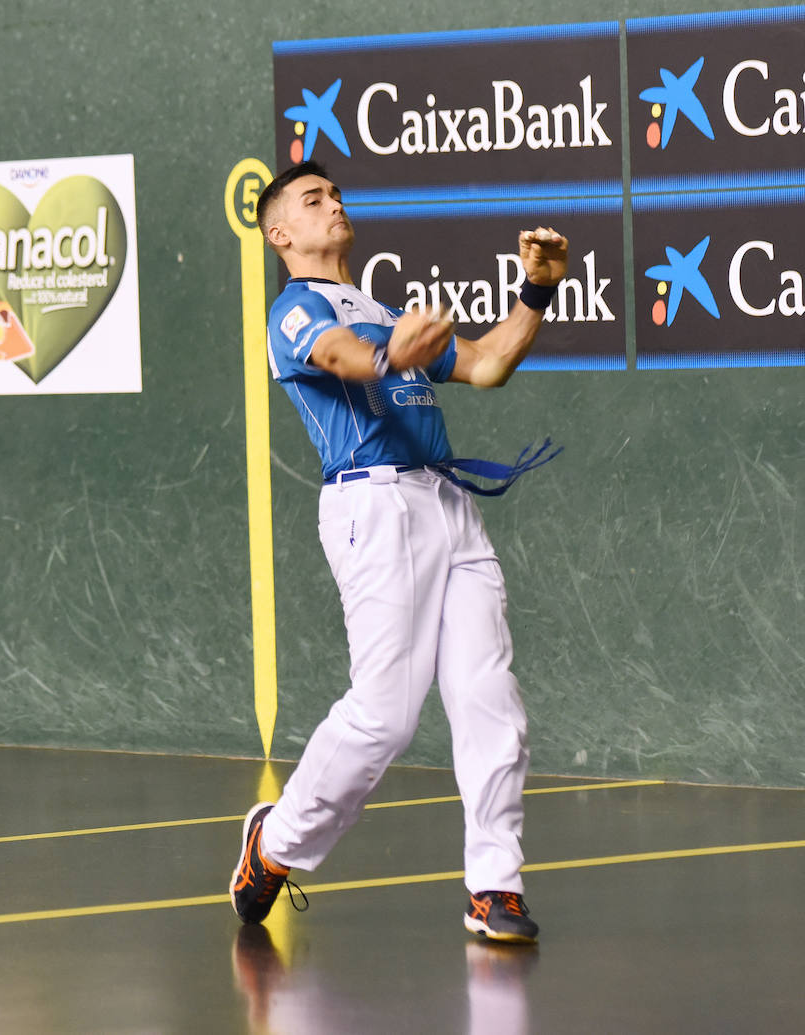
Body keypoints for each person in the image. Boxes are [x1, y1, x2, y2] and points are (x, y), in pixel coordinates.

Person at [229, 159, 569, 944]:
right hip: (372, 505)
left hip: (447, 503)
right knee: (384, 718)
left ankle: (495, 886)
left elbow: (486, 364)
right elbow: (346, 359)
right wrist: (394, 354)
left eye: (336, 195)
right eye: (313, 201)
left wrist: (538, 290)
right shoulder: (294, 309)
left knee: (491, 702)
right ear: (280, 233)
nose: (332, 205)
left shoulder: (378, 306)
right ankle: (273, 845)